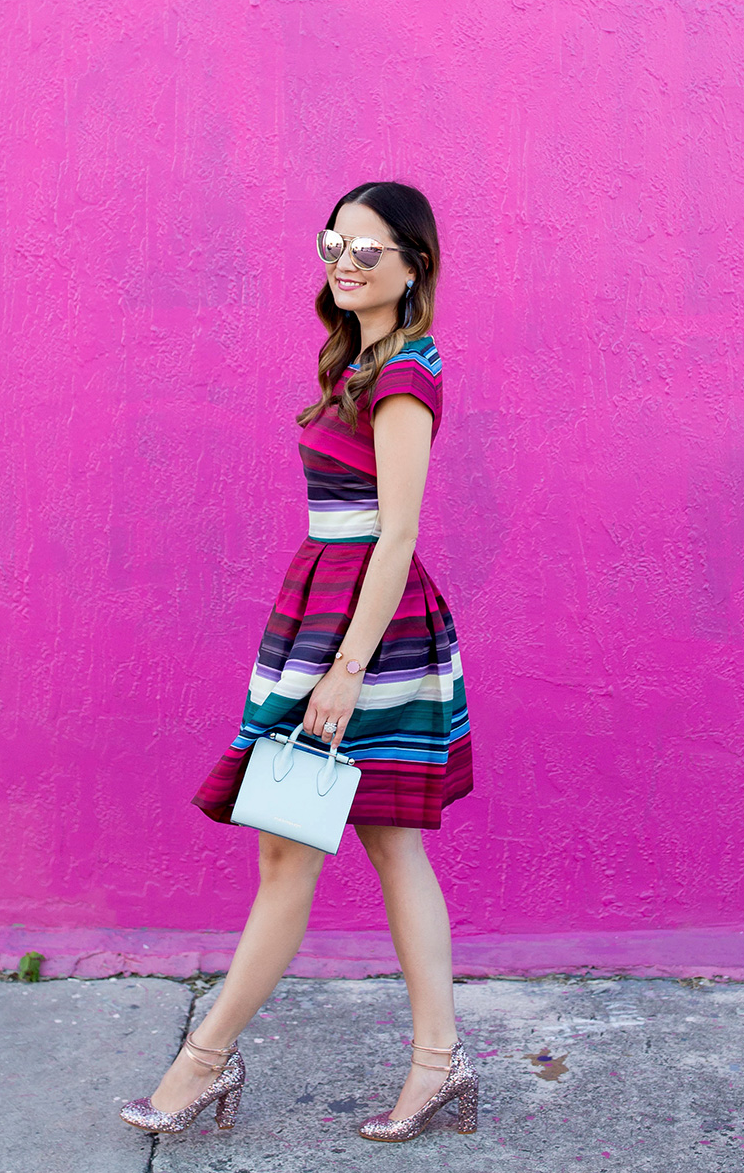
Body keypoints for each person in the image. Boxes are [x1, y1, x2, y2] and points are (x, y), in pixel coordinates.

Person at [119, 181, 477, 1143]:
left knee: (299, 845)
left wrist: (345, 667)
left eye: (369, 248)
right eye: (335, 242)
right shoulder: (360, 359)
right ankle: (437, 1064)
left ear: (415, 265)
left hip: (366, 629)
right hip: (328, 615)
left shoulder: (403, 376)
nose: (346, 260)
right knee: (375, 841)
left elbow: (397, 534)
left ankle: (205, 1062)